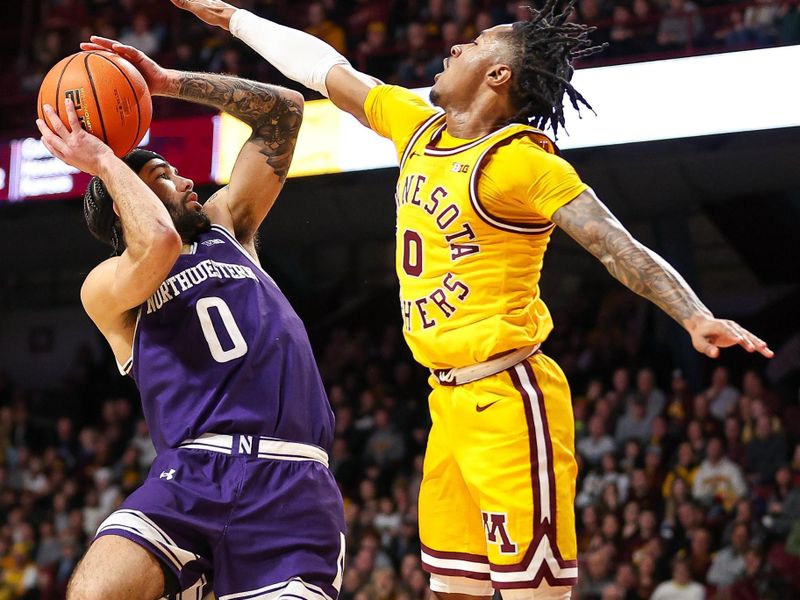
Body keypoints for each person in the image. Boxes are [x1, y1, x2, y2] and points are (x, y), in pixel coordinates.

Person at [171, 1, 773, 598]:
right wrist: (235, 20)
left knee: (534, 593)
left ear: (498, 75)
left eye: (476, 43)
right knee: (453, 591)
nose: (455, 47)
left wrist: (693, 314)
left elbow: (614, 244)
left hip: (510, 398)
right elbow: (327, 69)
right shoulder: (420, 126)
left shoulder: (520, 163)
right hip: (447, 401)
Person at [35, 38, 345, 600]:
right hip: (193, 474)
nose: (188, 182)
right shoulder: (108, 287)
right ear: (123, 199)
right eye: (165, 177)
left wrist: (164, 82)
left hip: (293, 484)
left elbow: (284, 113)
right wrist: (104, 159)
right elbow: (156, 241)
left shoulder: (230, 227)